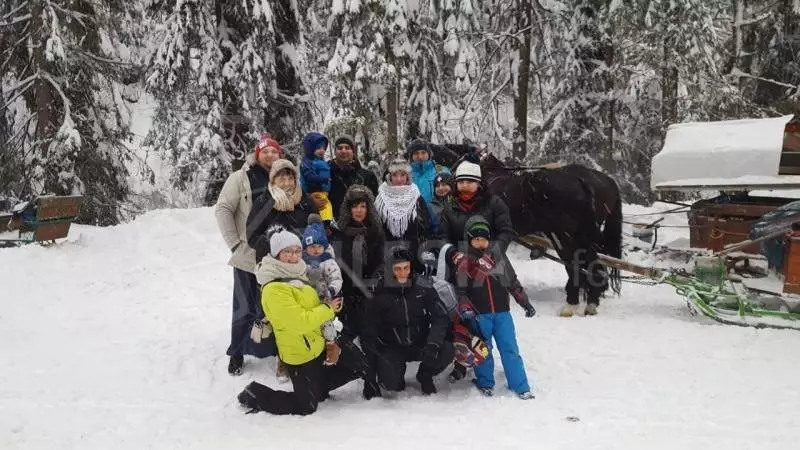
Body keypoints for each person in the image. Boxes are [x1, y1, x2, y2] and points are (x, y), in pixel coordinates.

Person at [237, 229, 365, 415]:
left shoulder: (301, 272)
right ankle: (255, 393)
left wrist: (328, 299)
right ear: (276, 254)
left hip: (320, 341)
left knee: (360, 365)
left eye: (297, 251)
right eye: (287, 251)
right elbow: (300, 322)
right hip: (301, 353)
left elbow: (313, 302)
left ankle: (317, 388)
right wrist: (328, 308)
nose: (294, 256)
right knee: (306, 406)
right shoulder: (273, 288)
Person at [214, 135, 283, 376]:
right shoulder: (240, 177)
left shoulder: (283, 177)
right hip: (248, 252)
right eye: (266, 152)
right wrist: (234, 243)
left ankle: (275, 349)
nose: (270, 156)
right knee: (245, 303)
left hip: (277, 254)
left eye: (274, 152)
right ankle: (237, 351)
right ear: (257, 154)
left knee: (274, 304)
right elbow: (223, 209)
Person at [445, 216, 534, 399]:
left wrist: (524, 302)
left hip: (502, 314)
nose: (480, 242)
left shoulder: (498, 258)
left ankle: (520, 385)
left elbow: (513, 283)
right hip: (479, 315)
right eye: (476, 239)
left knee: (510, 349)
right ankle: (485, 382)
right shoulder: (465, 262)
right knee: (483, 350)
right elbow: (461, 291)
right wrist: (465, 307)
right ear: (469, 239)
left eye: (484, 238)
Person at [440, 158, 536, 317]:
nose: (465, 185)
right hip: (462, 259)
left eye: (470, 181)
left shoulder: (494, 203)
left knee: (502, 281)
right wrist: (452, 253)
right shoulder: (449, 208)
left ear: (479, 183)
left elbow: (505, 231)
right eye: (461, 181)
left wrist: (493, 253)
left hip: (489, 254)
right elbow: (443, 237)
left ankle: (518, 303)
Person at [361, 246, 454, 398]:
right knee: (391, 385)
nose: (403, 273)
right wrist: (369, 379)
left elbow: (440, 316)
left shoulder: (423, 285)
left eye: (406, 268)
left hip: (420, 341)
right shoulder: (378, 291)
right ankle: (395, 374)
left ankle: (425, 374)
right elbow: (368, 332)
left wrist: (433, 343)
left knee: (447, 349)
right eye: (397, 269)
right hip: (392, 345)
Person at [329, 184, 385, 339]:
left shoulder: (376, 231)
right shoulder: (338, 233)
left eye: (363, 206)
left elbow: (382, 261)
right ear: (348, 209)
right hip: (345, 293)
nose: (359, 210)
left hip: (369, 291)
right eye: (355, 206)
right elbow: (334, 265)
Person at [246, 159, 319, 263]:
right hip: (274, 264)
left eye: (290, 178)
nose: (287, 183)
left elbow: (318, 230)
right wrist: (278, 245)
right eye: (282, 179)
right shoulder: (263, 202)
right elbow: (252, 236)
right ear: (273, 181)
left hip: (306, 262)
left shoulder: (306, 201)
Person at [374, 159, 431, 272]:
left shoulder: (416, 195)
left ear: (408, 176)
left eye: (403, 175)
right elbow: (376, 227)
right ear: (389, 176)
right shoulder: (381, 197)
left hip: (413, 253)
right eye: (395, 175)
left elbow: (426, 225)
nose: (399, 179)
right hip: (387, 254)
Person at [302, 214, 343, 365]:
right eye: (312, 246)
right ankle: (311, 350)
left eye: (319, 246)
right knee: (309, 325)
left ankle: (332, 346)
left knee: (326, 325)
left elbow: (336, 278)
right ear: (305, 247)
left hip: (325, 299)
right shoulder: (301, 262)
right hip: (306, 301)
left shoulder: (328, 261)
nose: (316, 250)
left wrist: (332, 290)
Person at [328, 135, 379, 219]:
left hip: (361, 227)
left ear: (353, 151)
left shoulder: (367, 176)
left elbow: (374, 205)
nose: (343, 151)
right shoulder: (325, 175)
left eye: (347, 148)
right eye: (340, 148)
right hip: (333, 227)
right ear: (335, 151)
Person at [300, 132, 334, 224]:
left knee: (326, 208)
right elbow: (309, 176)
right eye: (318, 148)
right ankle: (323, 225)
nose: (322, 150)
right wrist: (323, 180)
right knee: (324, 209)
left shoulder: (319, 161)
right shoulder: (307, 162)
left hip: (323, 192)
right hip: (314, 191)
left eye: (323, 148)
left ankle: (326, 224)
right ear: (310, 148)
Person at [407, 139, 451, 204]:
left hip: (437, 213)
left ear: (429, 154)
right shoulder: (405, 174)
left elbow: (451, 195)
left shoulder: (441, 171)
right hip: (413, 213)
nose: (420, 156)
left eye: (423, 152)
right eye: (416, 153)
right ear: (411, 156)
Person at [429, 172, 453, 237]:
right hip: (437, 242)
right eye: (437, 186)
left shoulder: (457, 204)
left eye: (444, 184)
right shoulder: (430, 207)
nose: (441, 188)